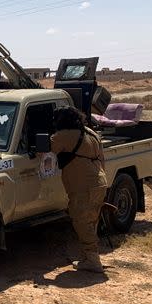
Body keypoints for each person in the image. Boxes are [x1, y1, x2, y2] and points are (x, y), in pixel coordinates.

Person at [50, 106, 108, 273]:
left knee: (82, 222)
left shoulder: (64, 135)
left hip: (83, 187)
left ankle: (93, 261)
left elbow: (45, 149)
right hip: (99, 182)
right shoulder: (90, 132)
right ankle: (88, 256)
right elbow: (102, 158)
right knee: (91, 221)